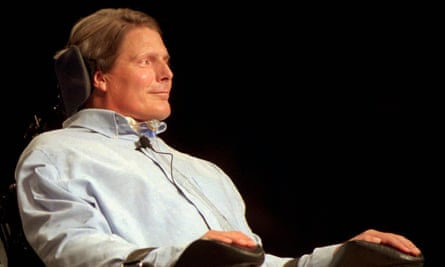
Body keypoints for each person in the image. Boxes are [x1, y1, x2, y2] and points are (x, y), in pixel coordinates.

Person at [14, 7, 422, 267]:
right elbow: (73, 253)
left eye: (167, 61)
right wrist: (184, 260)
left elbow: (255, 263)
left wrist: (339, 259)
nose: (166, 74)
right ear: (98, 77)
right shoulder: (57, 154)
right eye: (146, 61)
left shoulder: (204, 173)